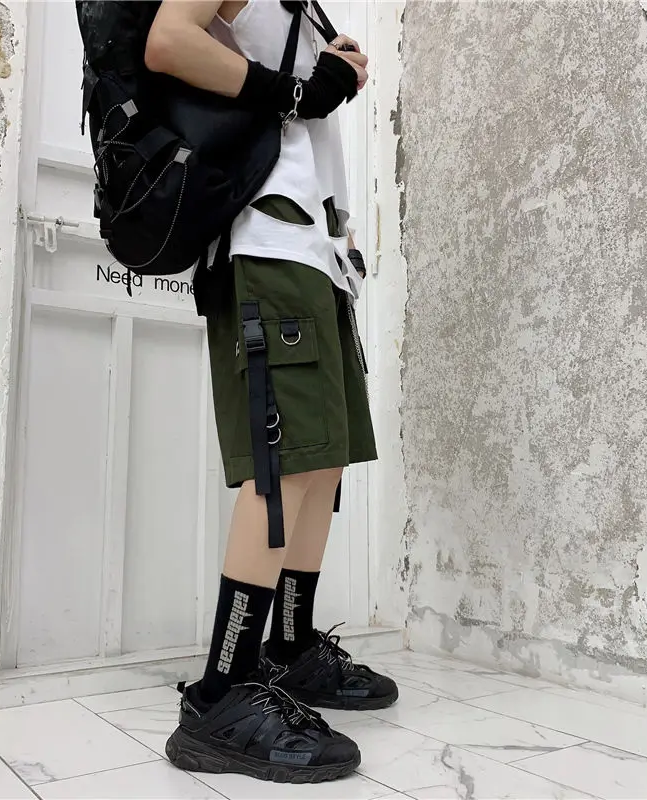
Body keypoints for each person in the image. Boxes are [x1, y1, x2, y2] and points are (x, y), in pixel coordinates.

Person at [145, 0, 397, 784]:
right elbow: (168, 41)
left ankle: (288, 648)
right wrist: (299, 90)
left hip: (314, 252)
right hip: (265, 241)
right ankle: (220, 696)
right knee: (282, 466)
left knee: (323, 458)